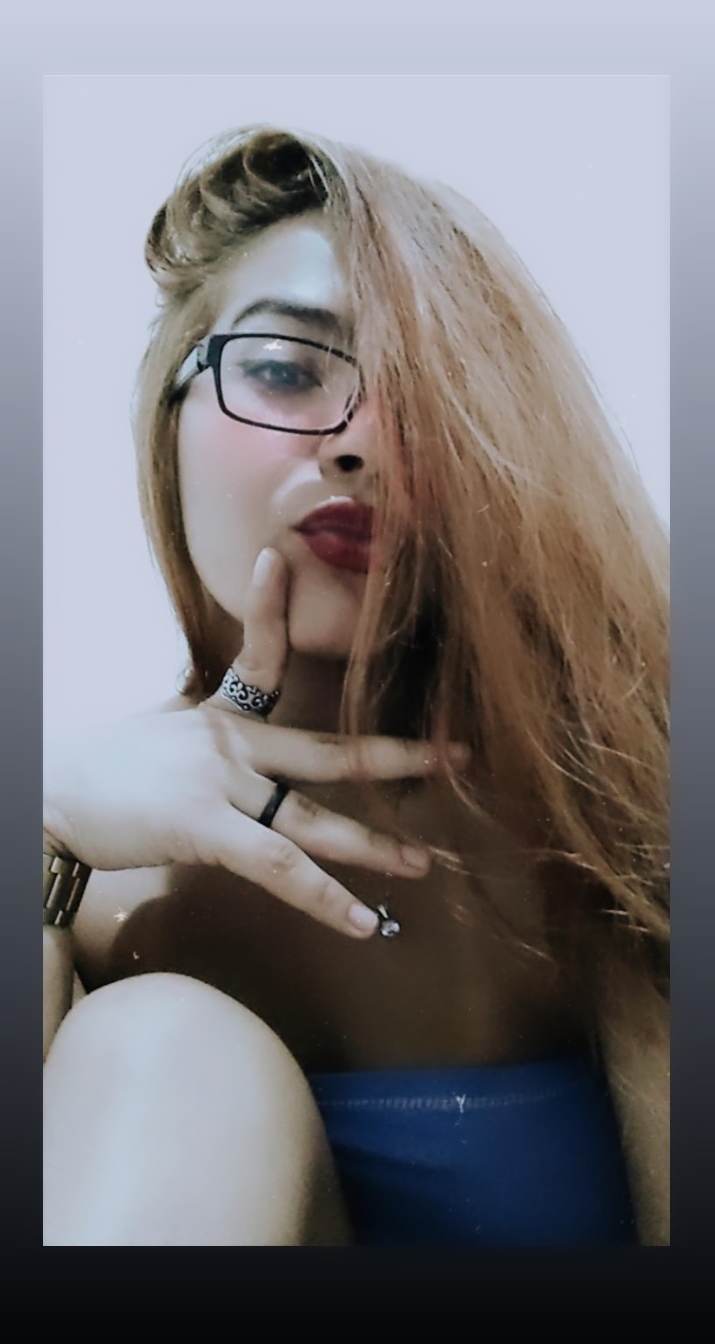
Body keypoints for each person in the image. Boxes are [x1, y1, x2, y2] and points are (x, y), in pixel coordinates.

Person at [42, 125, 669, 1247]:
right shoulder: (78, 872)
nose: (361, 447)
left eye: (434, 399)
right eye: (286, 370)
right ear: (167, 418)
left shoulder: (624, 825)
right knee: (161, 1043)